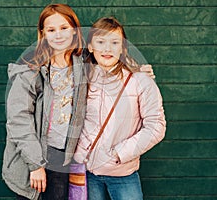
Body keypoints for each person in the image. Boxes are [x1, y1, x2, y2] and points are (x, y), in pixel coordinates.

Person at [2, 4, 155, 200]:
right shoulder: (29, 70)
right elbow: (18, 120)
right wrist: (35, 165)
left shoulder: (83, 63)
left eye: (64, 28)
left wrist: (136, 70)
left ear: (74, 31)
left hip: (62, 157)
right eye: (51, 30)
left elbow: (109, 56)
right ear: (43, 33)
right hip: (32, 157)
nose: (58, 35)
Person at [74, 17, 166, 200]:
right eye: (100, 42)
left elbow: (156, 127)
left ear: (123, 48)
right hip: (87, 173)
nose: (107, 49)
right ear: (91, 47)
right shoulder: (82, 78)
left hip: (122, 173)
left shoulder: (140, 81)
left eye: (114, 42)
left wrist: (120, 153)